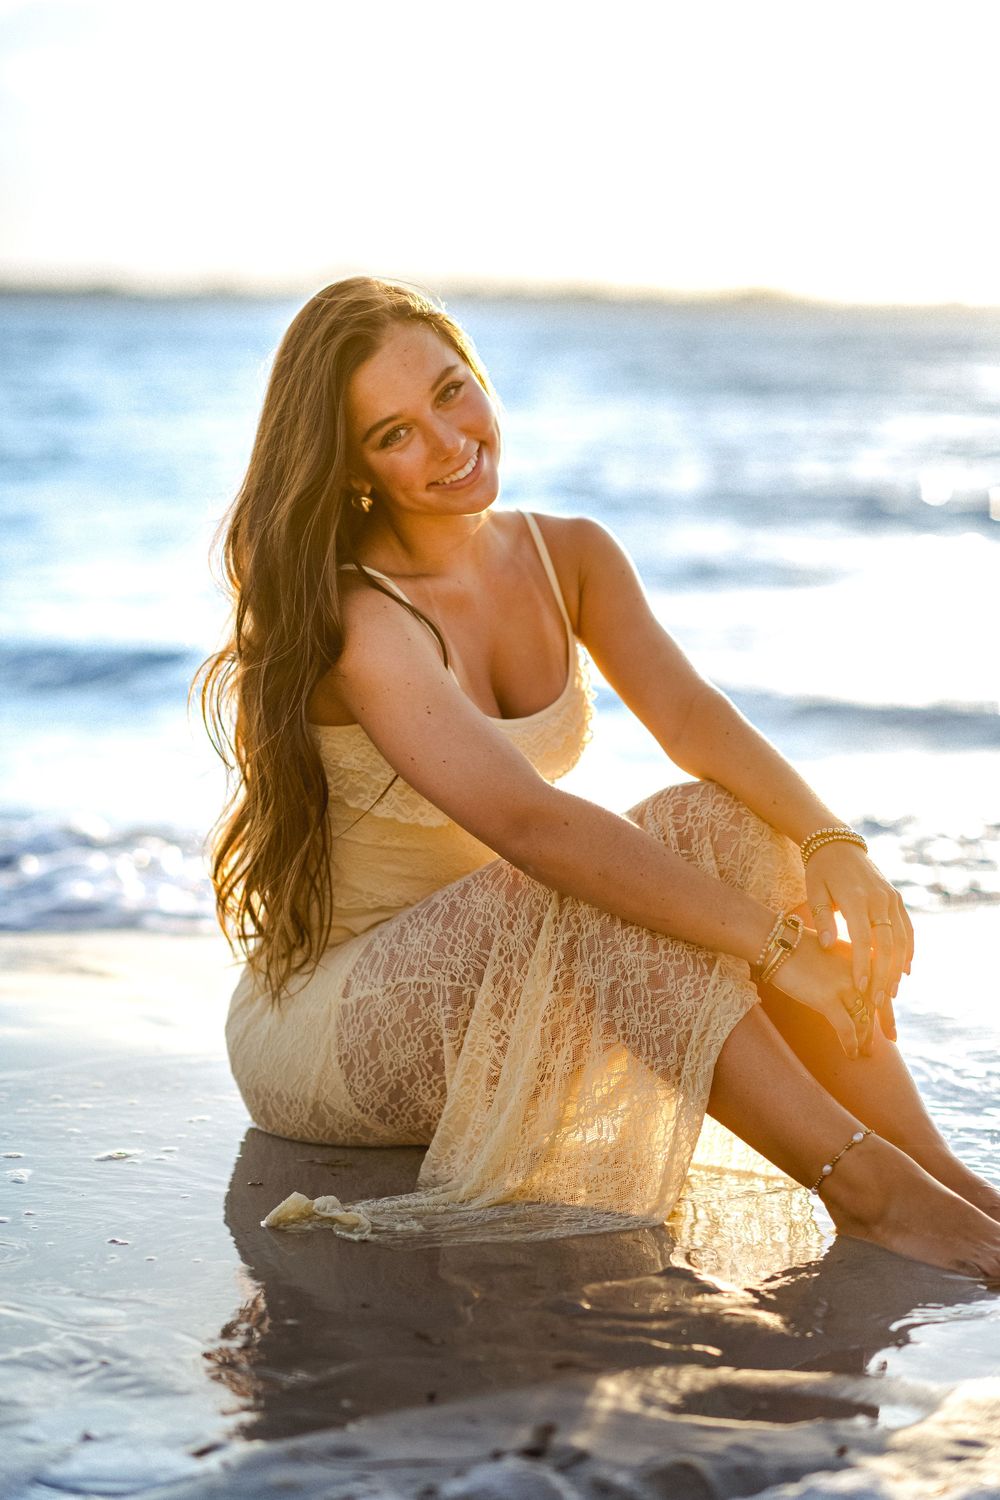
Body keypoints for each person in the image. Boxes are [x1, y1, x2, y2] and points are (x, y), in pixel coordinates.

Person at [198, 276, 1000, 1275]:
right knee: (588, 877)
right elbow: (529, 826)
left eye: (451, 393)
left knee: (722, 818)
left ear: (479, 377)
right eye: (393, 434)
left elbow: (694, 719)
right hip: (342, 1029)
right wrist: (774, 943)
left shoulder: (567, 554)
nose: (448, 443)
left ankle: (944, 1184)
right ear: (354, 468)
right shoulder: (360, 620)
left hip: (517, 970)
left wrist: (831, 844)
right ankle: (867, 1190)